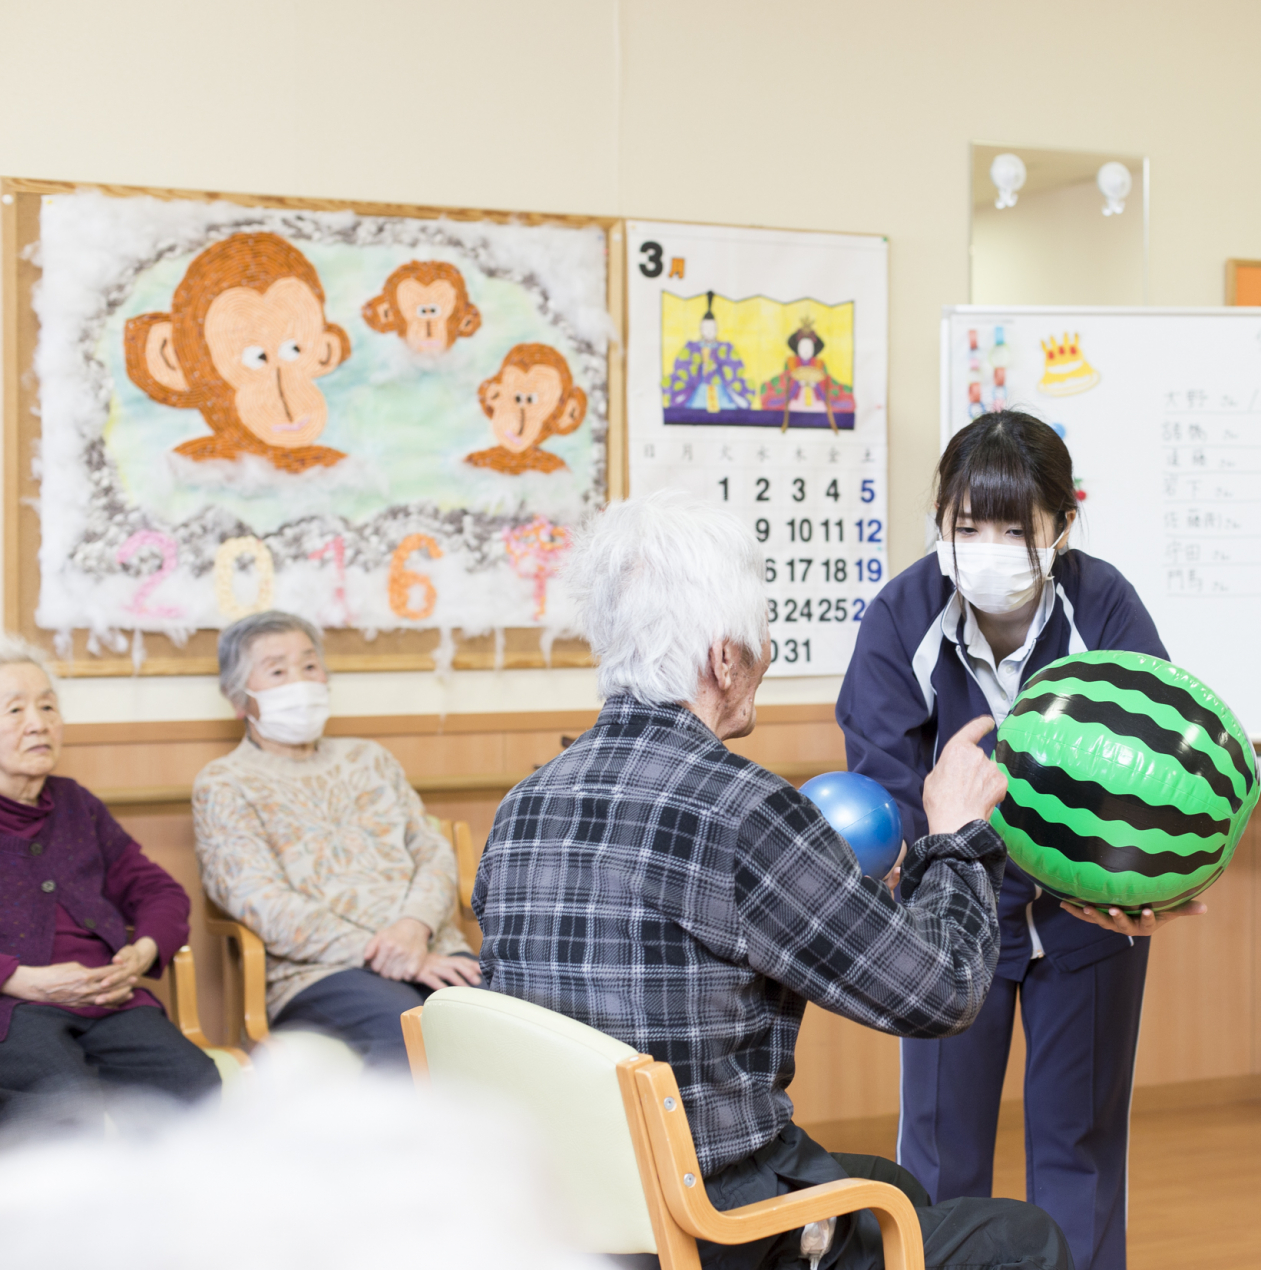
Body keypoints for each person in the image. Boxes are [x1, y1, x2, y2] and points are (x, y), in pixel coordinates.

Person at [475, 493, 1070, 1270]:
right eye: (761, 638)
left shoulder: (524, 803)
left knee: (889, 1183)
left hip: (559, 1213)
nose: (768, 654)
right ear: (724, 659)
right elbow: (944, 991)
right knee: (1024, 1242)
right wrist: (956, 835)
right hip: (707, 1225)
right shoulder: (743, 809)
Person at [837, 411, 1198, 1270]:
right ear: (941, 521)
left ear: (1062, 528)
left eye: (1016, 528)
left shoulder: (1103, 603)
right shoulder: (902, 617)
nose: (988, 547)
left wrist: (1149, 885)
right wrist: (923, 859)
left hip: (1084, 918)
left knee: (1082, 1147)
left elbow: (1156, 769)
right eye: (968, 526)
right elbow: (887, 782)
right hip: (951, 917)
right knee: (940, 1154)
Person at [192, 611, 478, 1067]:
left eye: (309, 666)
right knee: (408, 1034)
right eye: (277, 670)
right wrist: (396, 957)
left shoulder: (370, 759)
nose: (300, 681)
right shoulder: (224, 783)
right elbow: (263, 904)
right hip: (321, 972)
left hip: (431, 947)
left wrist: (413, 930)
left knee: (508, 1027)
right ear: (238, 699)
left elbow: (433, 851)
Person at [0, 636, 220, 1120]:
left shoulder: (76, 804)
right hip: (12, 1010)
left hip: (109, 999)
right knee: (62, 1103)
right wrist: (20, 979)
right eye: (15, 711)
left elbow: (158, 890)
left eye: (48, 706)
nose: (38, 723)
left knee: (195, 1082)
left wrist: (141, 952)